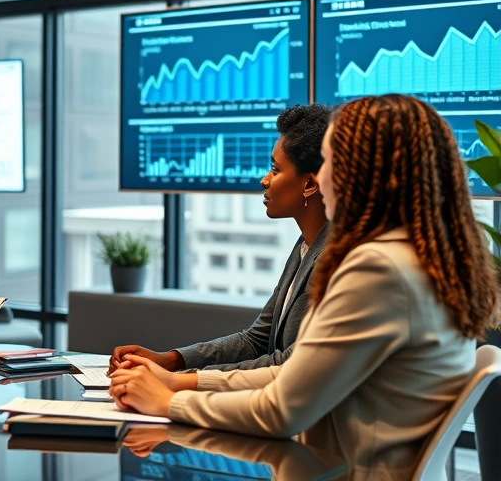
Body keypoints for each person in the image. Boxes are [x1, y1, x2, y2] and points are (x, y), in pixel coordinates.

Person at [109, 94, 499, 478]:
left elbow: (282, 410)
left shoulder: (377, 268)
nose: (322, 175)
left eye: (331, 161)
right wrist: (180, 382)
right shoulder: (425, 258)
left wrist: (170, 402)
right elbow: (298, 374)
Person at [110, 104, 332, 373]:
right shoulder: (305, 246)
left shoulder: (334, 257)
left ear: (309, 184)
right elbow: (256, 340)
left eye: (275, 169)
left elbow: (290, 364)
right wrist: (170, 360)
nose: (264, 180)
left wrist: (182, 381)